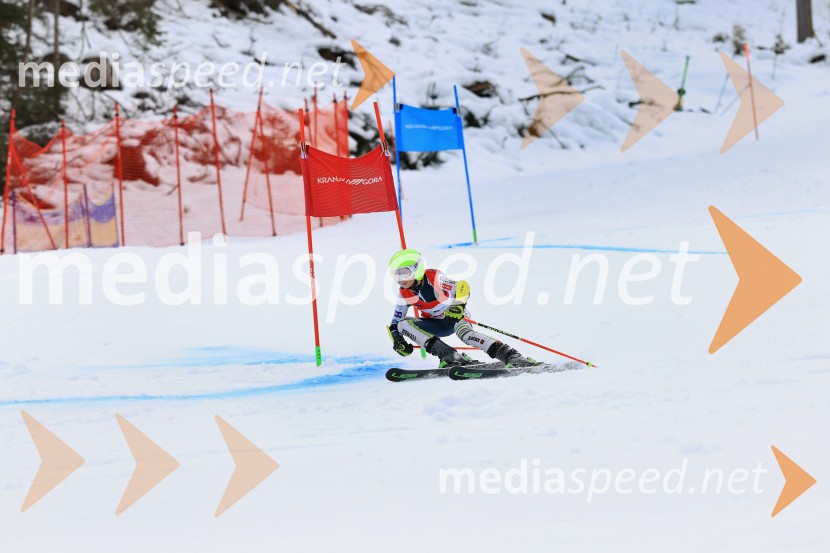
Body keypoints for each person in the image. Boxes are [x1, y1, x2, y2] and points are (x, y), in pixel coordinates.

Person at [386, 248, 535, 368]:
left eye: (404, 273)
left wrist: (457, 307)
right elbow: (395, 322)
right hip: (436, 325)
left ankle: (511, 356)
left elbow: (462, 287)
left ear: (417, 269)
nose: (399, 279)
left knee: (466, 335)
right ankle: (450, 355)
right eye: (395, 274)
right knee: (403, 324)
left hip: (455, 316)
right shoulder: (404, 293)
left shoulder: (434, 278)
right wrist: (398, 340)